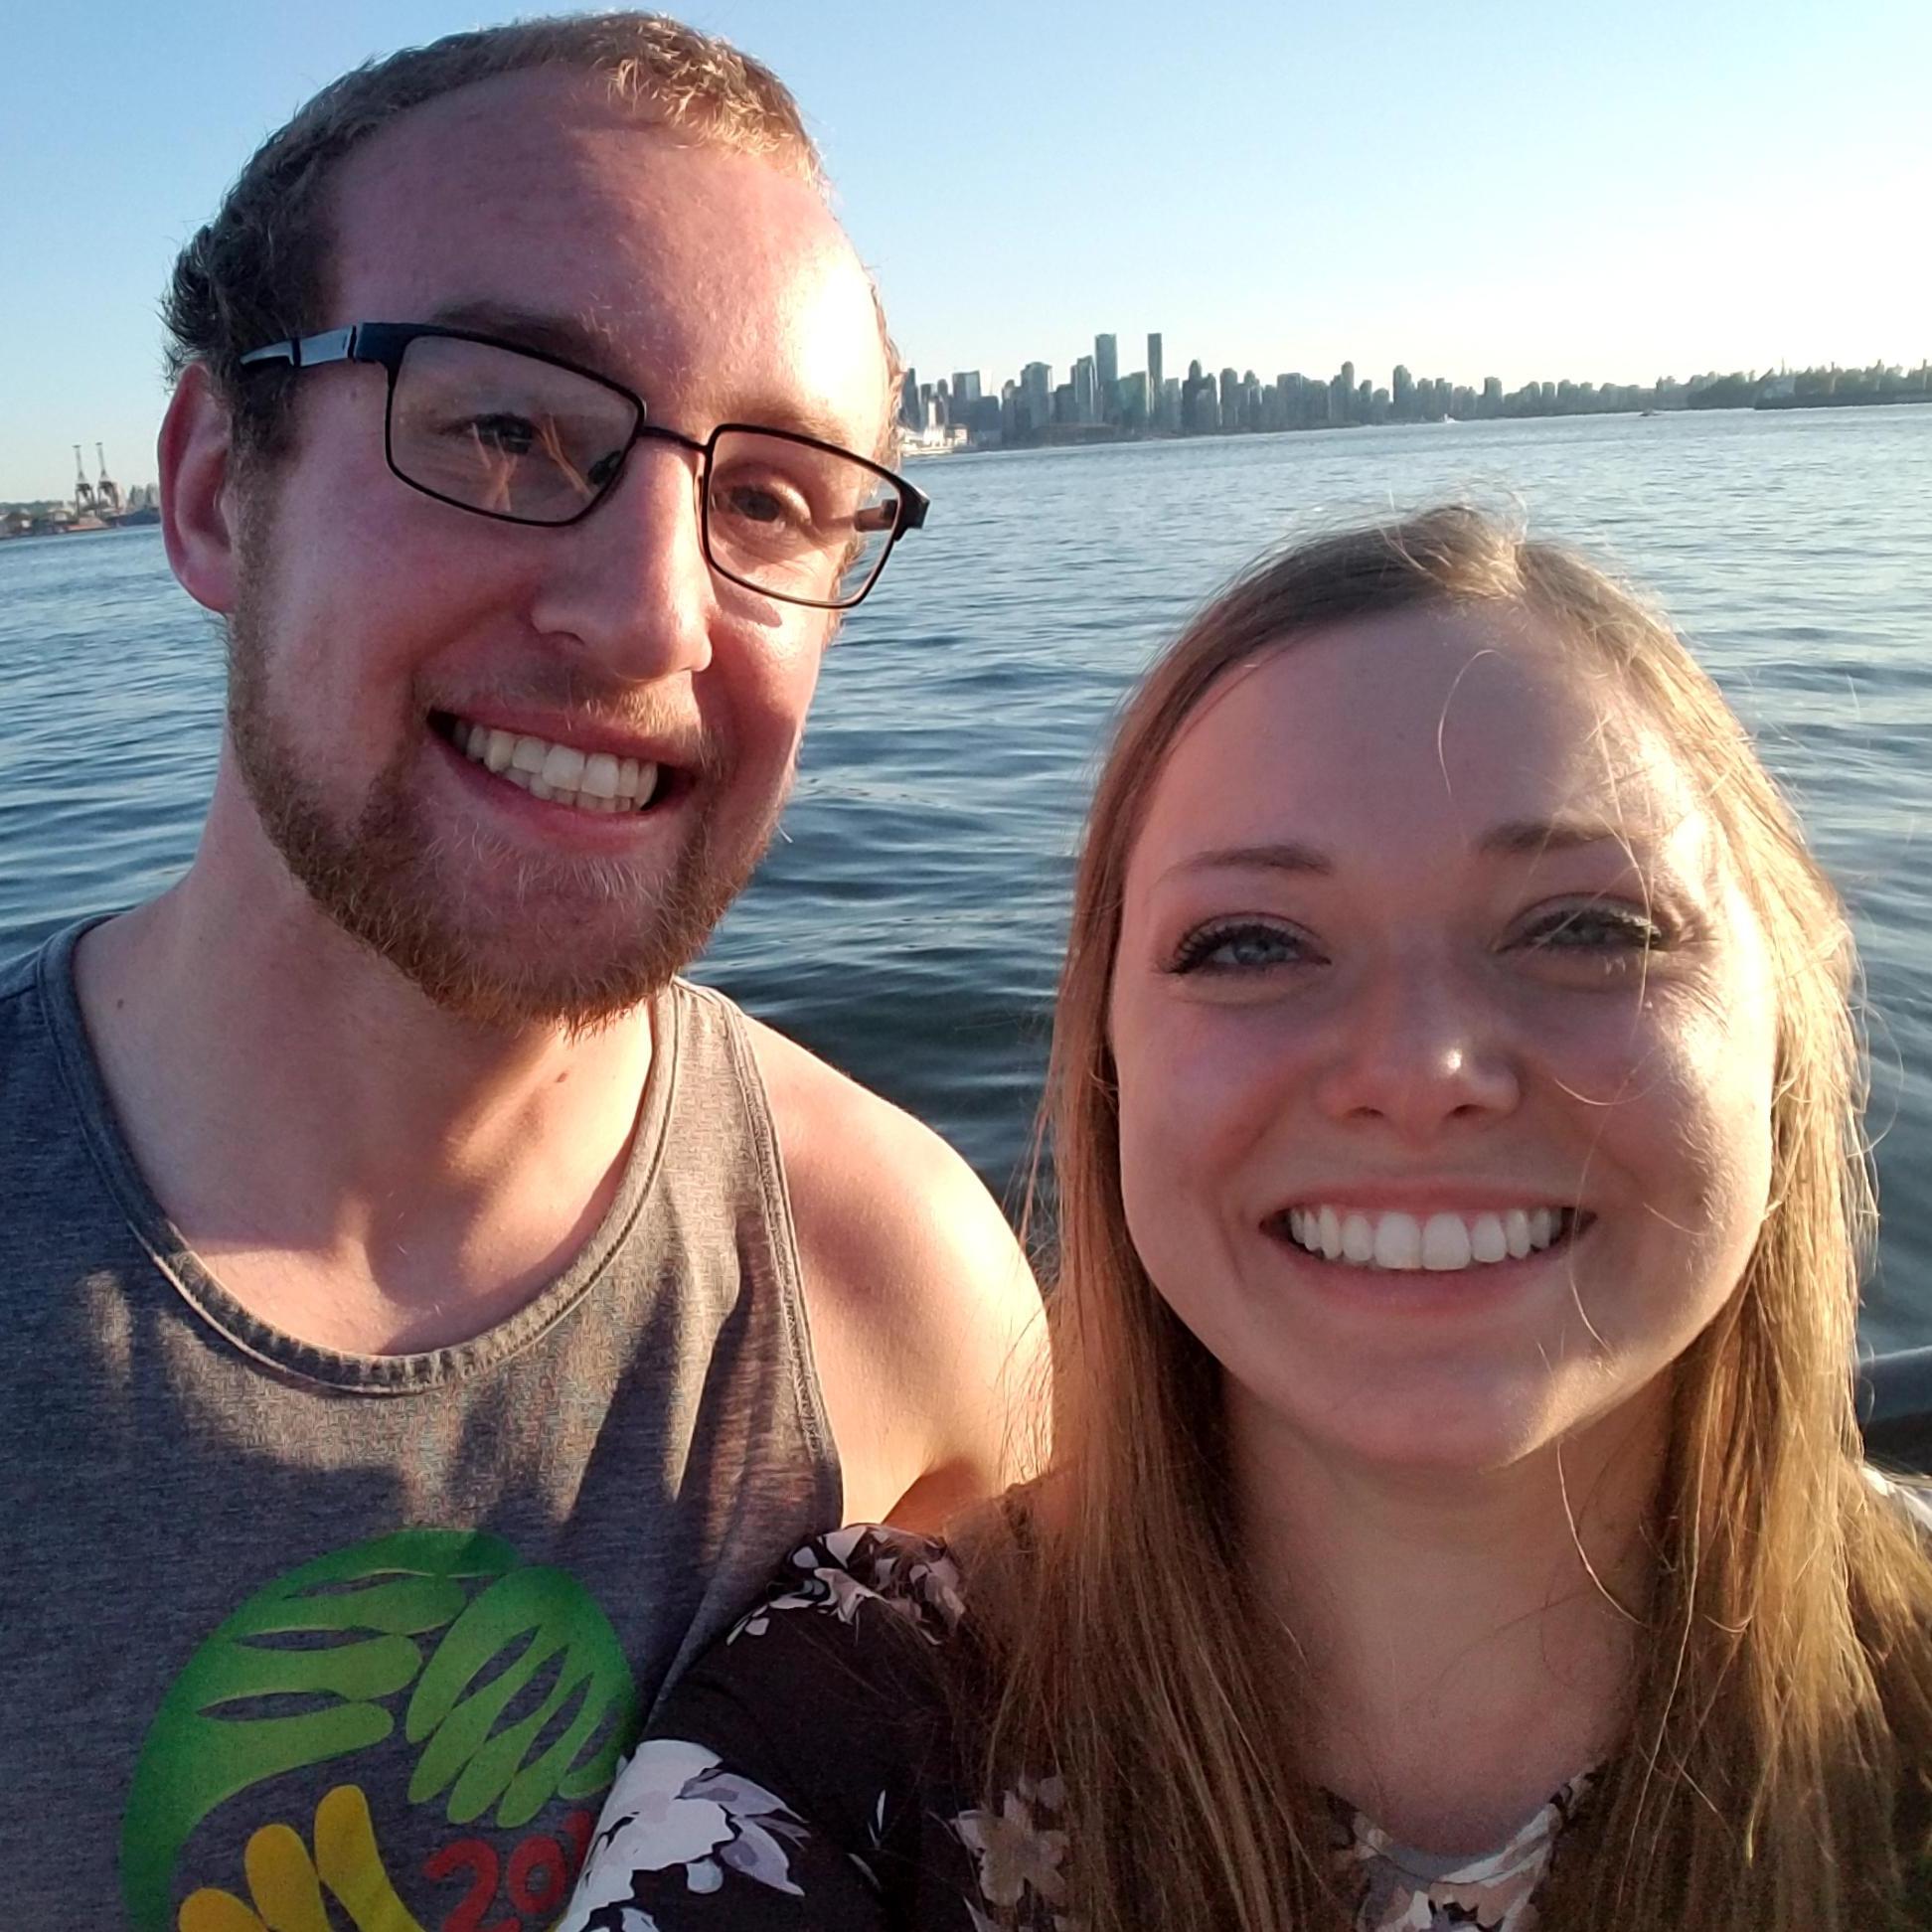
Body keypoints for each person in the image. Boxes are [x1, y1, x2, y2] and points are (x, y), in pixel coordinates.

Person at [0, 17, 1042, 1926]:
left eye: (772, 499)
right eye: (504, 426)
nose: (653, 609)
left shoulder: (903, 1296)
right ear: (220, 484)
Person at [560, 505, 1932, 1932]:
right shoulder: (837, 1755)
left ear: (1785, 1018)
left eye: (1590, 928)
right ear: (1106, 1068)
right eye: (1251, 944)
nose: (1418, 1074)